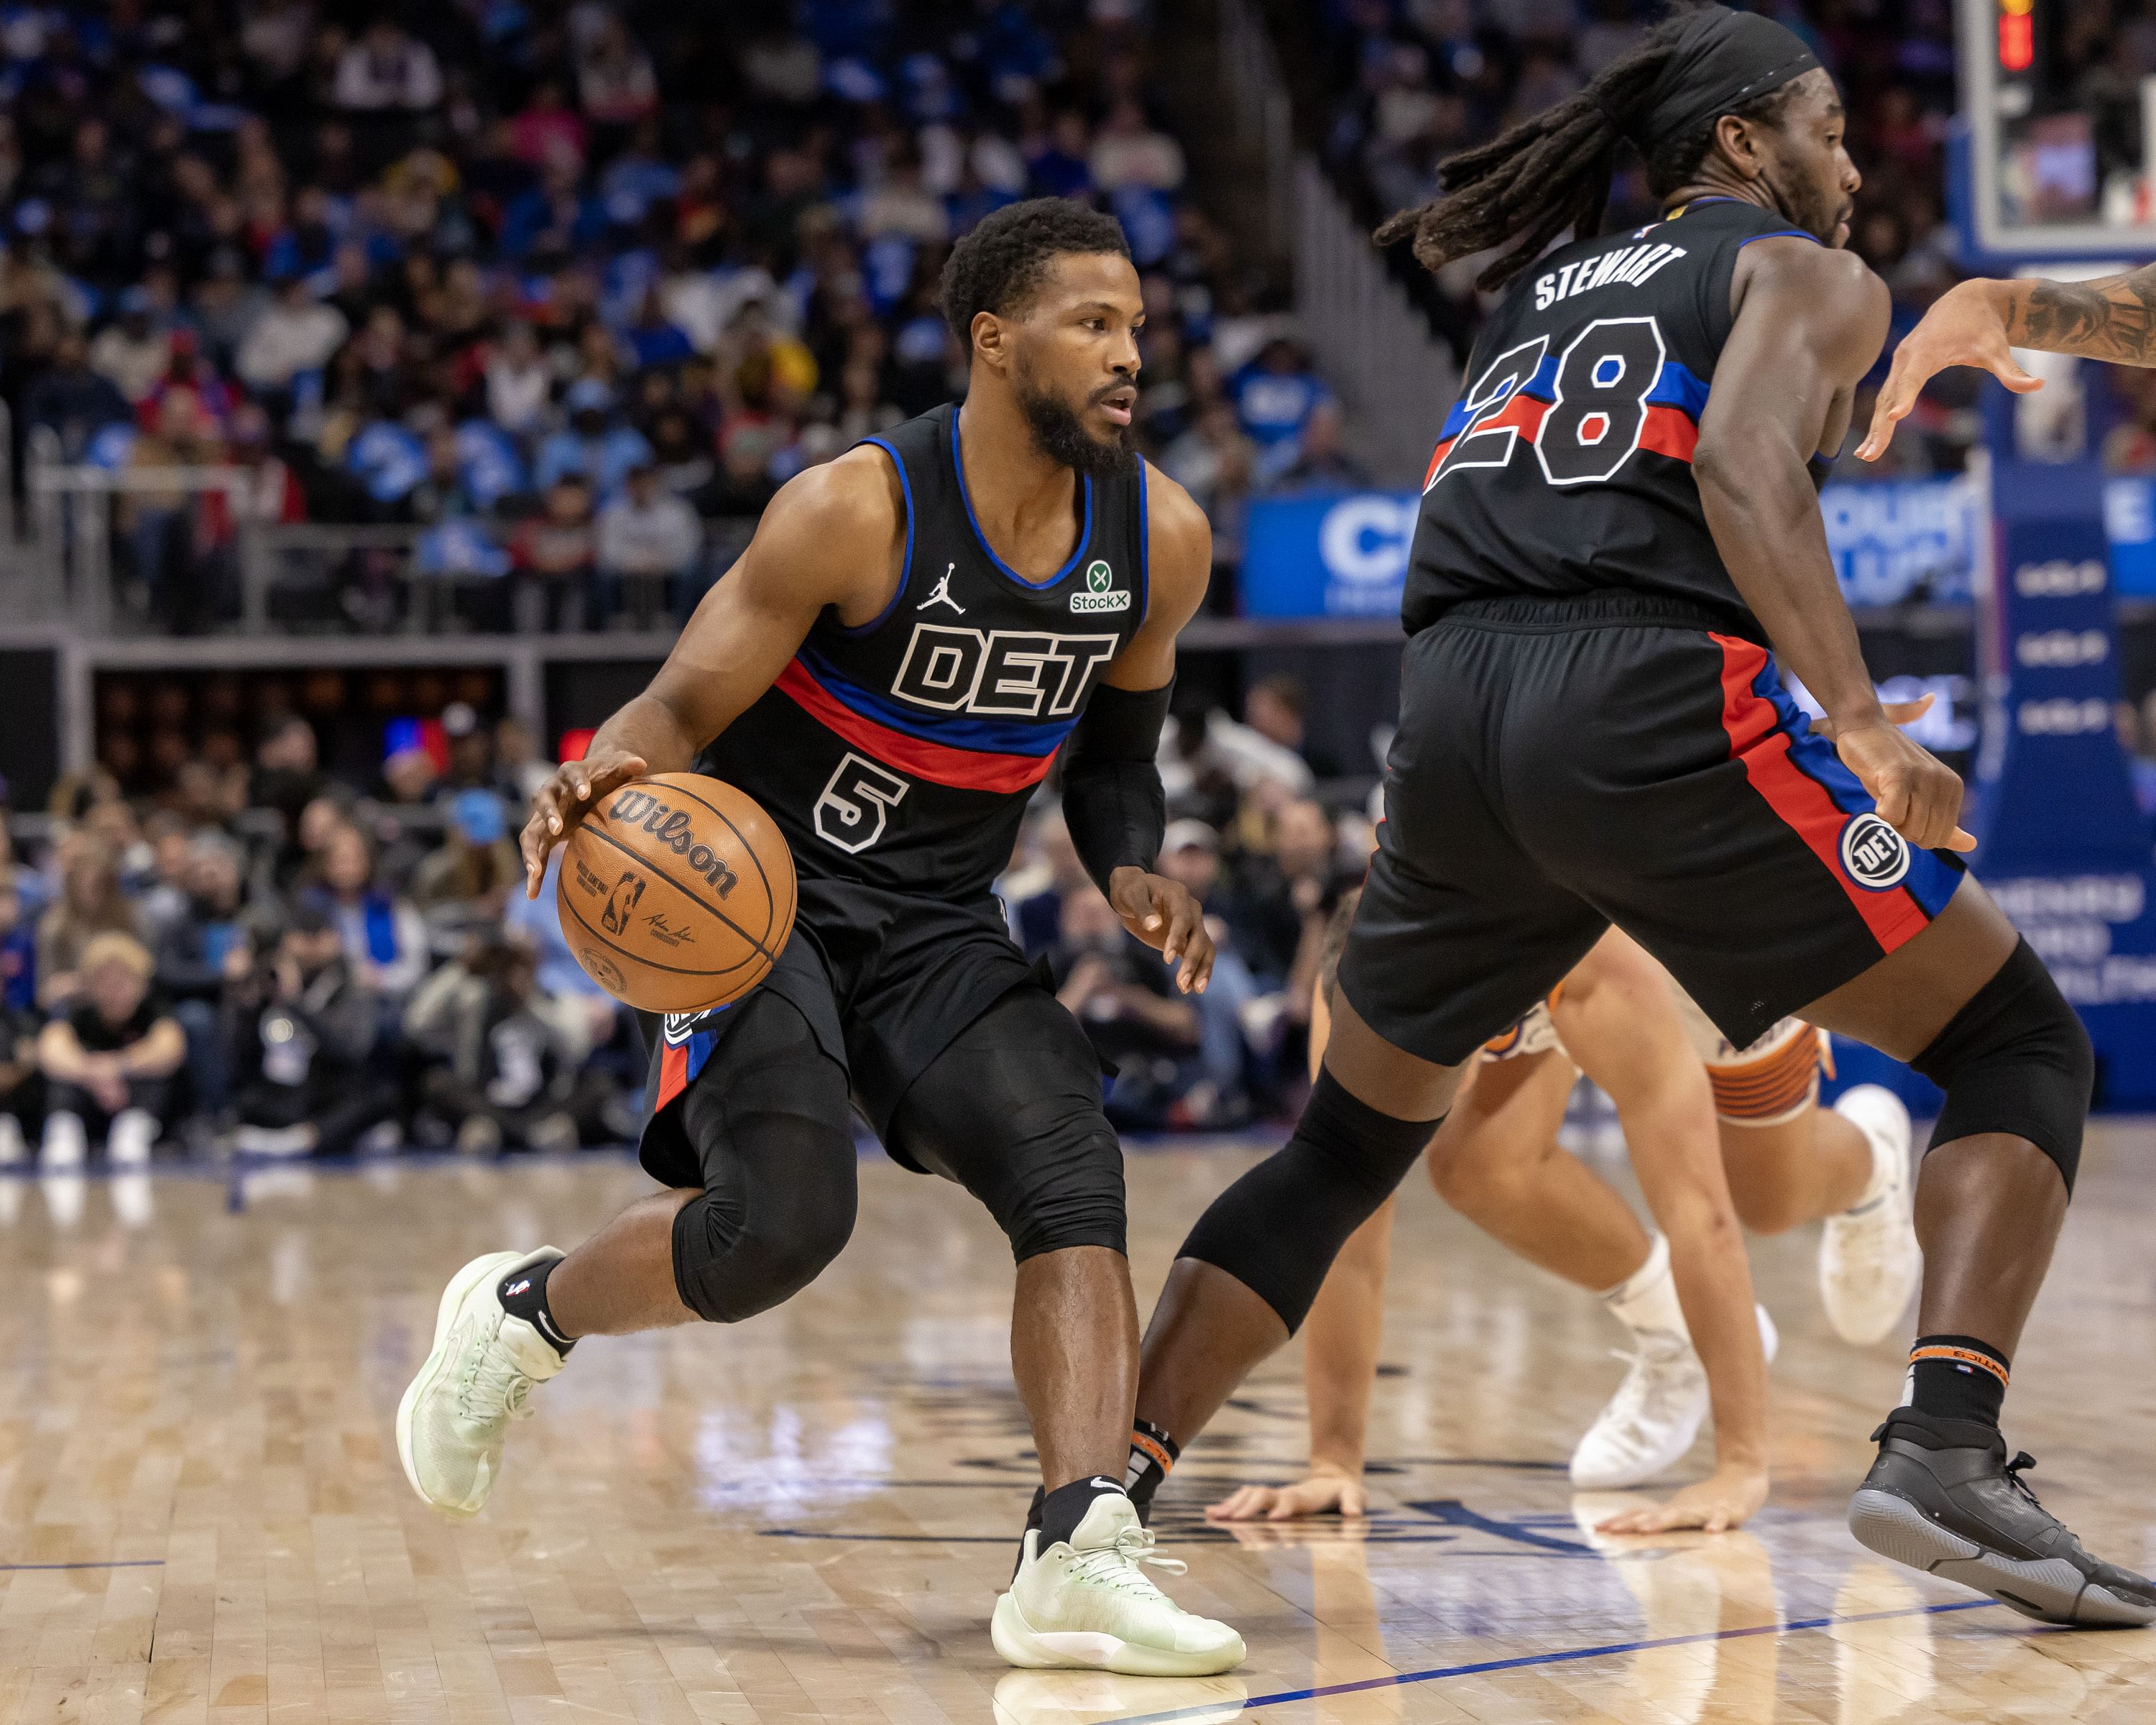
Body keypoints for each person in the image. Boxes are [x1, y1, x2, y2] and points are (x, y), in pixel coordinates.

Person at [1118, 5, 2155, 1627]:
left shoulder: (1537, 290)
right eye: (1824, 120)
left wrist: (2018, 303)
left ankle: (1097, 1501)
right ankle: (1946, 1444)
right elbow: (1744, 461)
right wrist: (1866, 724)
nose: (1852, 151)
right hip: (1645, 697)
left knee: (1343, 1145)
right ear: (1741, 143)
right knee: (2020, 1041)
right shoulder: (1805, 273)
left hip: (1452, 710)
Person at [394, 199, 1244, 1675]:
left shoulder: (1159, 535)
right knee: (782, 1226)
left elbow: (1116, 757)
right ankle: (523, 1312)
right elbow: (680, 706)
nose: (1130, 355)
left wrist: (1134, 867)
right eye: (1093, 324)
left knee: (1067, 1159)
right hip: (756, 901)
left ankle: (1077, 1548)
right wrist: (612, 764)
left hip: (935, 921)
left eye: (1139, 328)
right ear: (994, 342)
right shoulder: (853, 508)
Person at [1207, 901, 1917, 1533]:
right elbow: (1350, 1225)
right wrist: (1334, 1462)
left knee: (1768, 1199)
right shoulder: (1356, 984)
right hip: (1533, 926)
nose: (1403, 1069)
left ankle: (1869, 1164)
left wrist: (1740, 1467)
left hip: (1696, 940)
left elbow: (1700, 1216)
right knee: (1479, 1165)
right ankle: (1673, 1336)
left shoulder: (1592, 974)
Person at [226, 905, 394, 1157]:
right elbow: (237, 1051)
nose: (311, 943)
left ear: (336, 939)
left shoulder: (351, 982)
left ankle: (306, 1138)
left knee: (379, 1096)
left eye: (319, 934)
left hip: (330, 1086)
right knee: (247, 1100)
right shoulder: (269, 978)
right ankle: (313, 1134)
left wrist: (295, 1003)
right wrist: (244, 997)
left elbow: (350, 1048)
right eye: (302, 934)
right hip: (281, 1089)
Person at [35, 932, 185, 1169]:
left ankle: (134, 1129)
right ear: (91, 985)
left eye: (125, 980)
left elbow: (170, 1049)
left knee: (155, 1075)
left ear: (141, 983)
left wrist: (117, 1066)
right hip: (88, 1104)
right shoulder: (79, 1014)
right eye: (106, 980)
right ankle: (63, 1130)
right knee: (61, 1083)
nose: (116, 989)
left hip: (134, 1101)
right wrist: (92, 1073)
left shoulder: (154, 1010)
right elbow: (50, 1050)